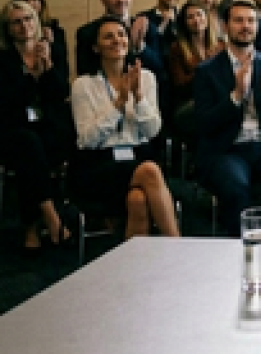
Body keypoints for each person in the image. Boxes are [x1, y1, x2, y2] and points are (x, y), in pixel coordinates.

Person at [69, 17, 179, 239]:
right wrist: (118, 104)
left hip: (138, 155)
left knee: (137, 199)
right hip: (98, 162)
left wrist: (138, 98)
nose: (117, 40)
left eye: (121, 34)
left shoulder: (146, 78)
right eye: (108, 37)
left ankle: (135, 261)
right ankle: (177, 244)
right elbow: (86, 140)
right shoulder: (83, 84)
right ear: (95, 47)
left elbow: (153, 131)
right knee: (150, 170)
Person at [193, 0, 261, 236]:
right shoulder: (207, 71)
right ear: (225, 26)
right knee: (236, 189)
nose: (245, 26)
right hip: (228, 149)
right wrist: (236, 96)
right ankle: (241, 249)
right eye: (238, 20)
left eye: (251, 21)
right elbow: (204, 123)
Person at [0, 0, 75, 253]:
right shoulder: (3, 59)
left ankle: (31, 226)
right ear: (7, 29)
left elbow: (60, 93)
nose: (24, 26)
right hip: (12, 128)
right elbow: (6, 101)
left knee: (39, 149)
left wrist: (48, 67)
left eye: (28, 19)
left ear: (37, 21)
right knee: (28, 145)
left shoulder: (52, 50)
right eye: (16, 22)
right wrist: (31, 76)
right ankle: (50, 216)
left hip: (46, 127)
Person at [75, 0, 163, 82]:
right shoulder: (86, 32)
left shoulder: (148, 28)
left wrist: (139, 46)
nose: (121, 0)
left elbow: (159, 69)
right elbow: (84, 72)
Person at [167, 1, 222, 137]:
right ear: (184, 22)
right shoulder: (177, 48)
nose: (196, 20)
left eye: (199, 14)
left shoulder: (221, 46)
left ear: (206, 18)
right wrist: (205, 66)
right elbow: (180, 85)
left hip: (218, 99)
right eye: (190, 17)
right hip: (189, 102)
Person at [13, 0, 69, 79]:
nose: (31, 4)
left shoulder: (56, 31)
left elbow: (63, 68)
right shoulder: (14, 29)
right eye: (26, 0)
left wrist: (52, 44)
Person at [137, 0, 182, 69]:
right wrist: (164, 23)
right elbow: (143, 46)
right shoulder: (144, 17)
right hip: (153, 69)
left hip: (179, 70)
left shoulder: (183, 18)